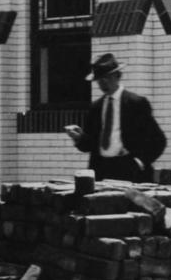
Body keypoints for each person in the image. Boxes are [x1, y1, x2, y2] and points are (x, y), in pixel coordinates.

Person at [65, 53, 165, 183]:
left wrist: (139, 162)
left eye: (107, 78)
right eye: (99, 80)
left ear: (118, 76)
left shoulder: (136, 104)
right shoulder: (96, 108)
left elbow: (159, 141)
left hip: (130, 169)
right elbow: (89, 145)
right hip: (102, 170)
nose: (103, 83)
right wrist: (78, 138)